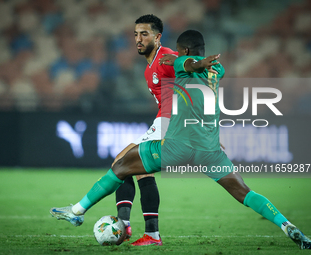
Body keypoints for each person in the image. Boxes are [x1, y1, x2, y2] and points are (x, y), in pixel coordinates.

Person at [50, 30, 311, 250]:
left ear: (183, 50)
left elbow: (187, 65)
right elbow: (197, 78)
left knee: (120, 165)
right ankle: (286, 225)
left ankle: (77, 212)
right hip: (209, 150)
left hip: (177, 147)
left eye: (178, 51)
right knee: (245, 192)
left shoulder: (179, 62)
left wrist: (193, 62)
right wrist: (202, 64)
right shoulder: (217, 69)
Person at [113, 14, 176, 246]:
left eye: (144, 34)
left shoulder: (167, 58)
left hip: (172, 125)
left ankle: (123, 225)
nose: (138, 39)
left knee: (121, 162)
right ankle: (152, 235)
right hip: (164, 123)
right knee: (139, 170)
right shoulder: (148, 69)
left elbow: (191, 75)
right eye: (136, 34)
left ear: (158, 37)